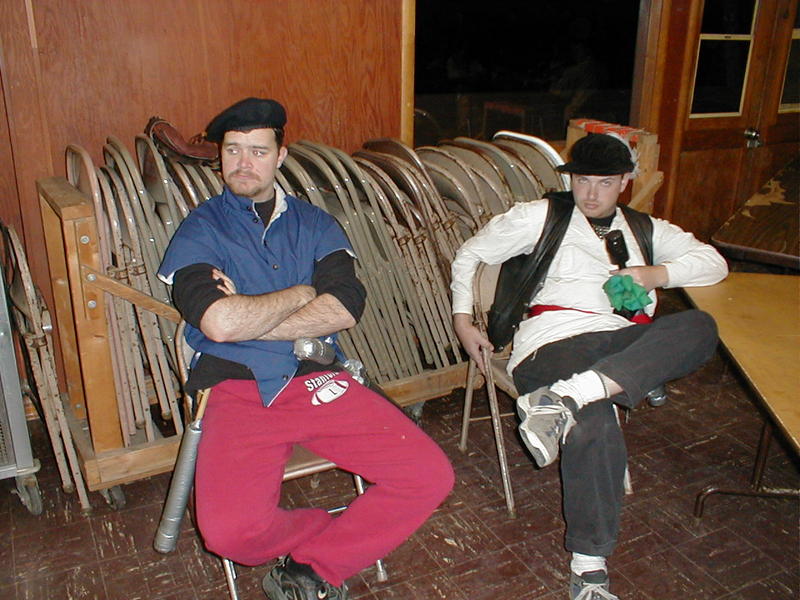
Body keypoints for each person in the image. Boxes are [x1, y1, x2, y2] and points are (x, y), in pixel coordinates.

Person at [158, 97, 454, 600]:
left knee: (429, 476)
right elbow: (219, 323)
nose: (243, 163)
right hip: (236, 386)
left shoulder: (316, 224)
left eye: (257, 151)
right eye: (233, 150)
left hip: (317, 376)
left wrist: (249, 313)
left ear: (281, 156)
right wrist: (300, 293)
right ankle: (325, 530)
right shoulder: (201, 228)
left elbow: (344, 309)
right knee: (230, 536)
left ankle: (314, 567)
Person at [450, 133, 728, 600]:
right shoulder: (542, 216)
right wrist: (463, 321)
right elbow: (470, 253)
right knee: (594, 424)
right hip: (553, 341)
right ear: (571, 179)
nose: (592, 194)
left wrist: (655, 274)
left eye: (605, 183)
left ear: (625, 182)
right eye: (582, 181)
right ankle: (589, 566)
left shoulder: (644, 228)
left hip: (618, 339)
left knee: (700, 327)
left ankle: (567, 397)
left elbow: (714, 264)